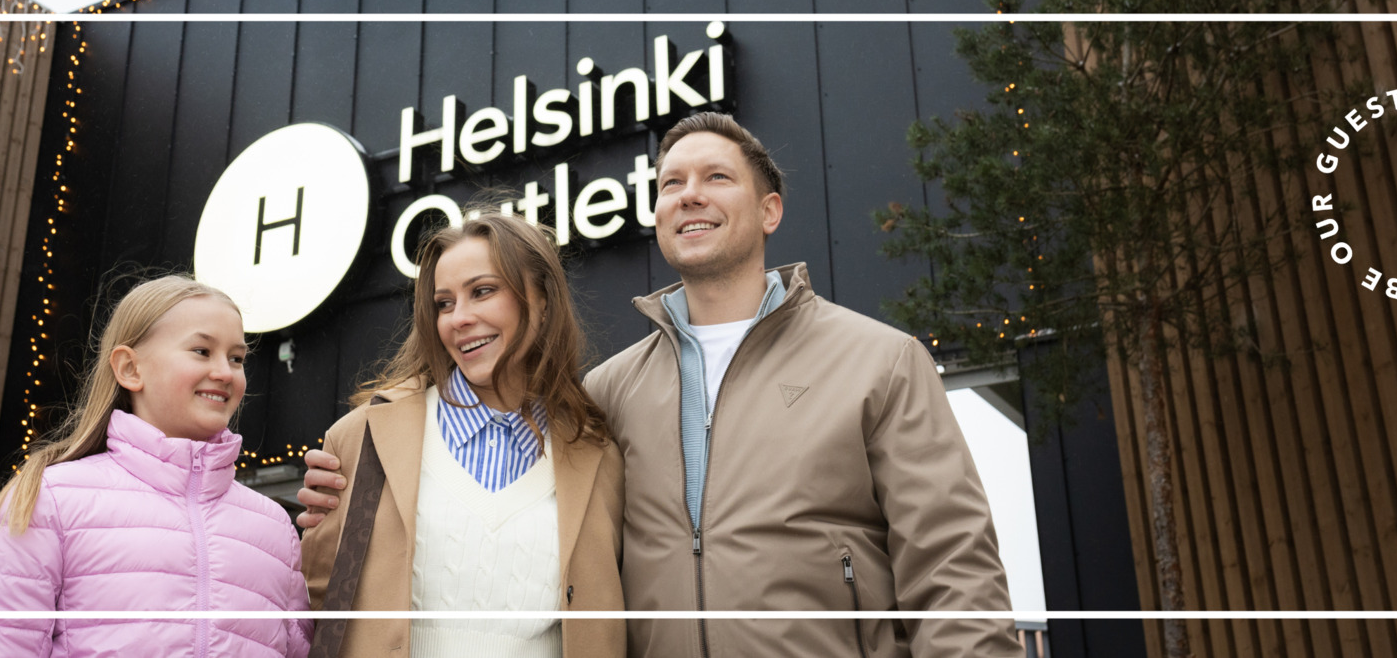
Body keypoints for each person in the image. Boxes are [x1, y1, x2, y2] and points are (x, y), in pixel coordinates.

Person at [301, 113, 1019, 657]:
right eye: (671, 183)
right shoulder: (606, 398)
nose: (688, 196)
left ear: (769, 209)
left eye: (715, 178)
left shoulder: (879, 360)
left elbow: (953, 565)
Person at [299, 212, 625, 658]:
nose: (459, 319)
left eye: (483, 292)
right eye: (444, 303)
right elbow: (315, 603)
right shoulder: (361, 438)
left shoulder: (597, 454)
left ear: (543, 300)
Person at [0, 276, 312, 657]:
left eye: (236, 358)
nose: (225, 372)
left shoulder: (275, 527)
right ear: (130, 369)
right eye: (201, 350)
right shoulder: (53, 499)